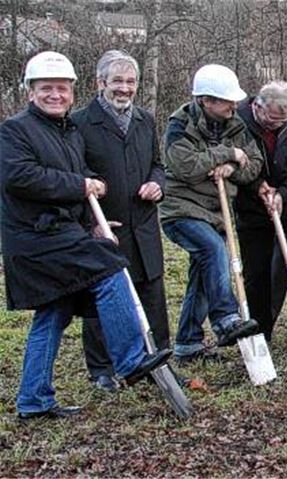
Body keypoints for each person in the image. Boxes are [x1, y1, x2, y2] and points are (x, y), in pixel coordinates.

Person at [1, 51, 171, 420]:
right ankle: (130, 360)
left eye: (62, 89)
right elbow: (21, 178)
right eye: (46, 88)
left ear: (73, 92)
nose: (55, 95)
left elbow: (76, 189)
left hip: (61, 234)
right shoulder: (14, 130)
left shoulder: (66, 132)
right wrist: (81, 185)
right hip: (34, 240)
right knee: (109, 267)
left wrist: (91, 225)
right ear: (31, 92)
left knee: (53, 312)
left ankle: (33, 400)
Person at [71, 50, 171, 392]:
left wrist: (158, 184)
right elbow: (76, 174)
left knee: (152, 289)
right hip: (105, 224)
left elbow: (158, 165)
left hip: (143, 222)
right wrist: (91, 223)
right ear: (101, 83)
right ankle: (101, 369)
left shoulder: (145, 120)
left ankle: (160, 360)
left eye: (131, 82)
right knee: (104, 296)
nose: (124, 89)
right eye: (117, 81)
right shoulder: (80, 123)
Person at [160, 64, 264, 362]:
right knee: (213, 250)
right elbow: (185, 166)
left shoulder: (236, 125)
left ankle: (188, 344)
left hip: (217, 211)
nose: (234, 105)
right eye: (226, 101)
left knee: (203, 273)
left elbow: (253, 163)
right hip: (182, 209)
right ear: (206, 100)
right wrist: (227, 154)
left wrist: (231, 169)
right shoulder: (180, 124)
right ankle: (225, 318)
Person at [235, 81, 287, 343]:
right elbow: (234, 163)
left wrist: (283, 194)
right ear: (258, 106)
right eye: (272, 121)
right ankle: (261, 331)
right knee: (256, 268)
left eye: (282, 120)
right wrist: (257, 185)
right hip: (252, 203)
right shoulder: (238, 121)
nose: (277, 126)